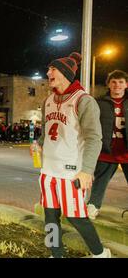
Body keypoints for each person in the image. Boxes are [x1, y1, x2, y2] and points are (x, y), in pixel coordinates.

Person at [33, 52, 111, 258]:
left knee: (77, 217)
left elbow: (95, 138)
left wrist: (87, 171)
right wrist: (39, 144)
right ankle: (56, 253)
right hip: (48, 171)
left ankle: (100, 253)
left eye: (53, 69)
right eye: (48, 69)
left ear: (66, 73)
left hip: (72, 173)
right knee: (50, 217)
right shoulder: (48, 99)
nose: (48, 72)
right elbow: (48, 130)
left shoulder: (84, 101)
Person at [87, 70, 128, 219]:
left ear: (126, 84)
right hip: (107, 150)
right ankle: (93, 206)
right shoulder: (99, 102)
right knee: (100, 181)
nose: (117, 85)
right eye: (114, 82)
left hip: (126, 150)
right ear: (108, 84)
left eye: (121, 82)